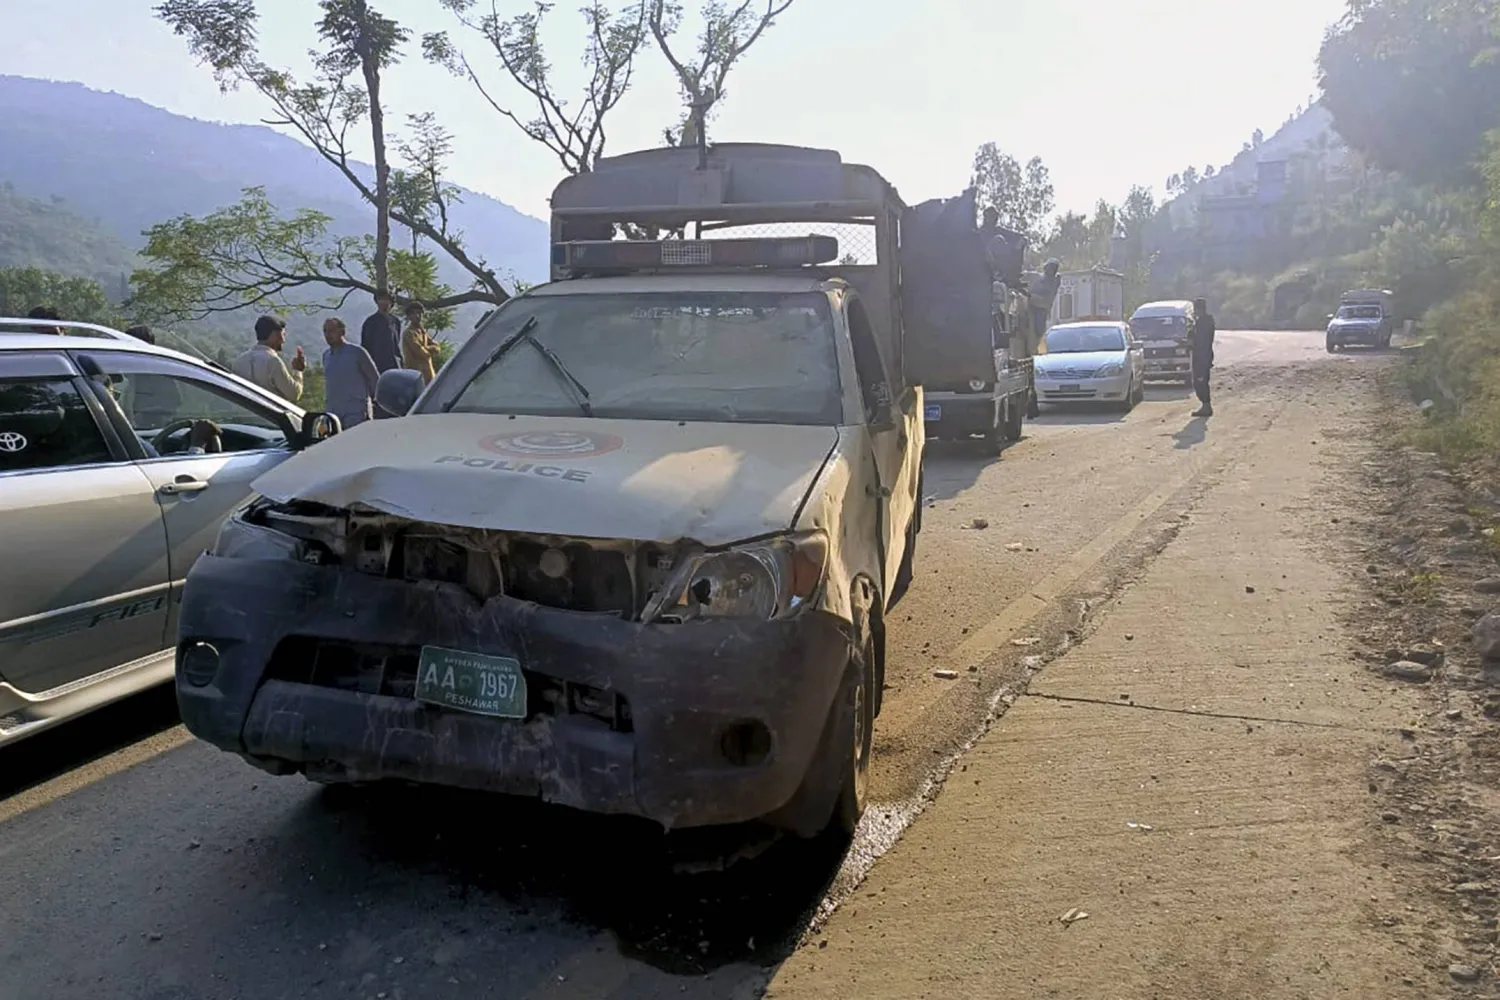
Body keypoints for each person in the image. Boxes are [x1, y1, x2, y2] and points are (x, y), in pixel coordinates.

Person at [320, 317, 380, 428]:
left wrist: (376, 404)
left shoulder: (357, 352)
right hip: (333, 414)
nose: (328, 335)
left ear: (342, 332)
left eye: (332, 331)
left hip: (356, 413)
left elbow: (374, 380)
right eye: (325, 331)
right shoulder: (326, 356)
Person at [231, 315, 305, 403]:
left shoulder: (239, 360)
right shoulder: (273, 361)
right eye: (283, 334)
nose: (284, 340)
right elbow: (294, 394)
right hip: (268, 415)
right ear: (274, 335)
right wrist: (298, 371)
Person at [360, 290, 403, 374]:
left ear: (391, 302)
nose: (384, 302)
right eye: (381, 299)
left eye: (387, 299)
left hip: (394, 365)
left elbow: (396, 345)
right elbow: (365, 346)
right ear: (377, 302)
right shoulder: (370, 322)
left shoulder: (395, 321)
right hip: (376, 367)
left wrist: (401, 362)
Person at [401, 301, 440, 384]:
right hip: (415, 378)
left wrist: (427, 348)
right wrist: (430, 349)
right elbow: (421, 352)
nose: (417, 316)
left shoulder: (423, 332)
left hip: (428, 375)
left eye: (419, 313)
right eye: (413, 313)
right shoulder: (409, 333)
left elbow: (437, 348)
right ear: (409, 316)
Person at [1190, 297, 1217, 417]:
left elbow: (1201, 340)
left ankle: (1206, 406)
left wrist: (1190, 341)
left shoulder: (1204, 322)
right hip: (1201, 355)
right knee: (1199, 381)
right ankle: (1205, 405)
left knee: (1201, 382)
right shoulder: (1202, 321)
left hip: (1202, 356)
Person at [1029, 259, 1062, 341]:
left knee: (1039, 328)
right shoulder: (1038, 277)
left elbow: (1048, 296)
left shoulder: (1053, 281)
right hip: (1031, 303)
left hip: (1041, 307)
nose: (1050, 270)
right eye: (1049, 267)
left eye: (1053, 268)